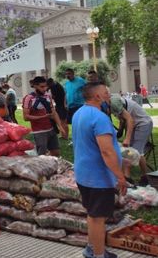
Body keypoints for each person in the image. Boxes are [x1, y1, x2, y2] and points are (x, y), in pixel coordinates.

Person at [73, 82, 126, 258]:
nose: (109, 95)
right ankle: (98, 255)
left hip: (84, 174)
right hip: (98, 177)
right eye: (106, 92)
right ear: (97, 96)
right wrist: (120, 176)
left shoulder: (79, 113)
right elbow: (106, 151)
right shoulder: (100, 117)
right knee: (98, 218)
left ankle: (92, 248)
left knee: (92, 214)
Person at [110, 94, 154, 186]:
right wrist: (120, 131)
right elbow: (122, 119)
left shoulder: (113, 102)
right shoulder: (107, 103)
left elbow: (130, 120)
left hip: (143, 123)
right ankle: (128, 177)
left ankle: (143, 177)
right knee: (129, 151)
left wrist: (127, 138)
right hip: (135, 124)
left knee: (136, 151)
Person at [22, 76, 63, 156]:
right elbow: (26, 117)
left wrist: (60, 126)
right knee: (41, 155)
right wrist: (43, 117)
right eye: (42, 87)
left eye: (46, 86)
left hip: (51, 128)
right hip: (39, 131)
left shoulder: (48, 96)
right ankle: (42, 165)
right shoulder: (29, 98)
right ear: (35, 86)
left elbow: (53, 112)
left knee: (56, 152)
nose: (44, 89)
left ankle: (48, 163)